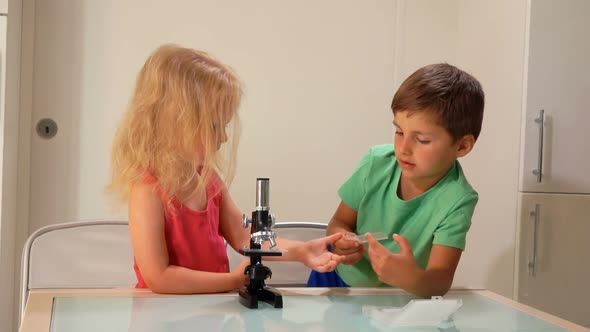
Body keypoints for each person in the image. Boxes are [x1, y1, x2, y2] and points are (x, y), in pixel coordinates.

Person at [109, 44, 345, 294]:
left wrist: (301, 251)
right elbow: (160, 278)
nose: (222, 137)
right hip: (162, 312)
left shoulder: (207, 178)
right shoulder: (147, 189)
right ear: (174, 121)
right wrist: (234, 280)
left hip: (210, 309)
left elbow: (245, 238)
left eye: (224, 126)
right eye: (213, 126)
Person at [309, 63, 484, 298]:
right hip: (334, 278)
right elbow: (340, 221)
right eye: (399, 132)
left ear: (462, 146)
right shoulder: (376, 162)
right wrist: (342, 239)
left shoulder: (458, 199)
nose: (403, 148)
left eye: (421, 140)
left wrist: (411, 278)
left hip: (395, 297)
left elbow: (440, 280)